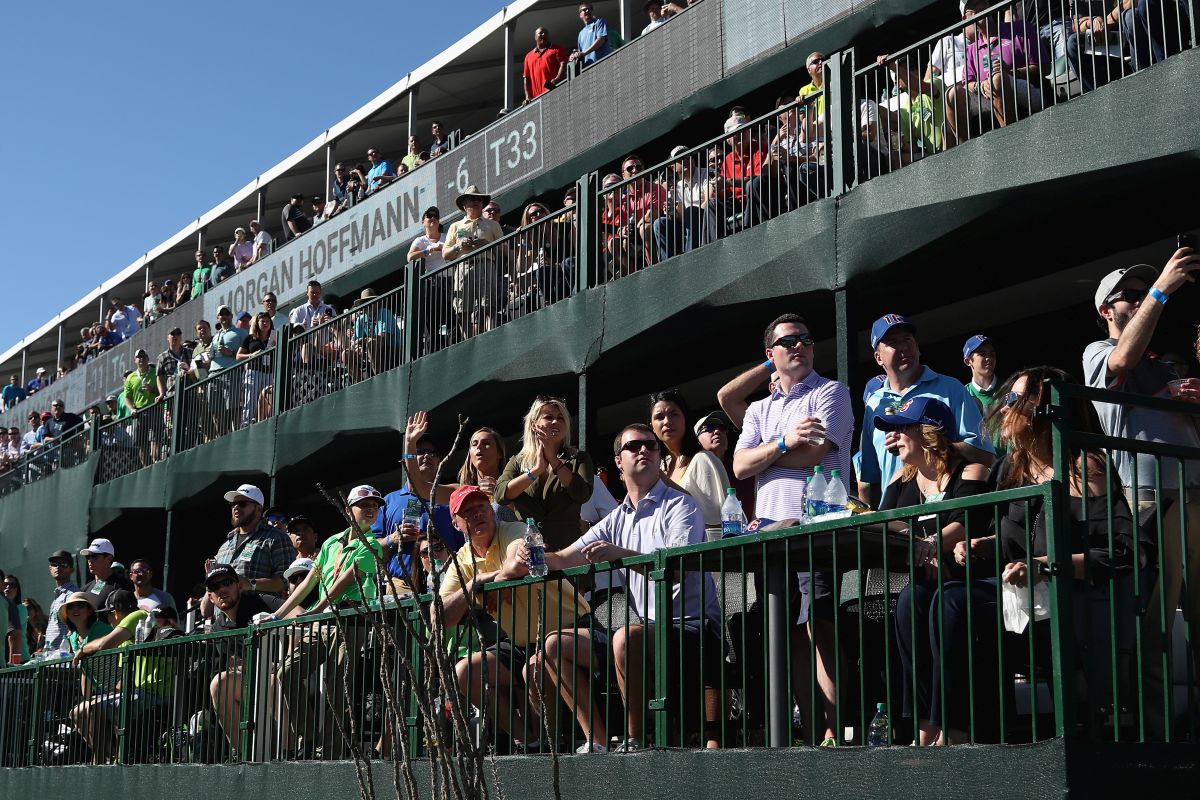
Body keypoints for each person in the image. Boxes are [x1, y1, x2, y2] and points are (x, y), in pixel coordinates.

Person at [947, 366, 1139, 743]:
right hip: (1020, 599)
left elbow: (1122, 551)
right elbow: (1012, 540)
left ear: (1046, 408)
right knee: (926, 599)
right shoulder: (1011, 467)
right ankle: (958, 730)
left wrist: (1045, 568)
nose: (1004, 409)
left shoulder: (1085, 467)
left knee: (955, 603)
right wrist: (982, 545)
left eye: (1016, 400)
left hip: (1070, 598)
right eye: (1006, 399)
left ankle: (978, 734)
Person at [535, 424, 724, 752]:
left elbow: (676, 569)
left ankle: (634, 739)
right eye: (635, 446)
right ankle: (597, 740)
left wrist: (621, 555)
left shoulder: (681, 506)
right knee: (554, 645)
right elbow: (564, 558)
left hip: (694, 629)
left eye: (652, 446)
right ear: (618, 462)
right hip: (644, 632)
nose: (645, 450)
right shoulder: (616, 518)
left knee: (626, 636)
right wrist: (527, 556)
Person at [1082, 253, 1200, 739]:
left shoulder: (1164, 362)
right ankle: (1158, 739)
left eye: (1142, 292)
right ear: (1106, 310)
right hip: (1151, 498)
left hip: (1193, 493)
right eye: (1127, 295)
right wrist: (1162, 291)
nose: (1136, 299)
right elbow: (1120, 361)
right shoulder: (1095, 350)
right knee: (1153, 629)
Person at [729, 312, 853, 746]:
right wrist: (783, 442)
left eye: (805, 338)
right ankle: (812, 732)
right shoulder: (760, 409)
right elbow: (740, 467)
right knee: (792, 638)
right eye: (787, 341)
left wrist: (766, 455)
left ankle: (840, 734)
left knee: (820, 631)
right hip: (769, 534)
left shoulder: (831, 392)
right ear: (771, 355)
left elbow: (816, 454)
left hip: (816, 531)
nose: (798, 345)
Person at [875, 397, 990, 746]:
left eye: (902, 427)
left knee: (943, 602)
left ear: (929, 432)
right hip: (928, 577)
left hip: (970, 573)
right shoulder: (901, 478)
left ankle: (952, 724)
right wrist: (922, 544)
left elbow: (967, 521)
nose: (894, 437)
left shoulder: (970, 469)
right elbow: (883, 523)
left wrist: (930, 544)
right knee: (910, 602)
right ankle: (924, 725)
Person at [438, 485, 591, 746]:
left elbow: (521, 563)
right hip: (521, 642)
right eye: (468, 512)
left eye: (481, 507)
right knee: (464, 672)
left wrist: (492, 585)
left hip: (568, 627)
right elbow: (439, 617)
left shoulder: (515, 529)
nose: (477, 514)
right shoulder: (461, 559)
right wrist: (478, 584)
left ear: (492, 510)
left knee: (534, 666)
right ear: (456, 523)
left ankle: (553, 746)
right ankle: (528, 741)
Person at [273, 485, 386, 759]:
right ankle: (311, 738)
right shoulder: (331, 543)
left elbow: (345, 581)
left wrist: (316, 610)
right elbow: (312, 580)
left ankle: (331, 754)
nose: (371, 509)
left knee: (339, 689)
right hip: (324, 621)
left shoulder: (374, 545)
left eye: (375, 505)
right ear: (348, 511)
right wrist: (277, 615)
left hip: (351, 621)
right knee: (286, 673)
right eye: (364, 504)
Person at [859, 313, 994, 508]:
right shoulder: (874, 404)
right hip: (897, 525)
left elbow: (987, 456)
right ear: (878, 358)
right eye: (893, 342)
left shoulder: (951, 389)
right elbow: (869, 481)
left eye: (907, 339)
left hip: (946, 515)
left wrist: (929, 444)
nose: (904, 347)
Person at [70, 589, 171, 763]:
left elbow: (104, 644)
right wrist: (106, 695)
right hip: (137, 692)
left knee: (93, 708)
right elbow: (125, 678)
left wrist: (82, 649)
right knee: (77, 712)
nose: (108, 620)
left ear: (115, 611)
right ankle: (111, 758)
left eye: (108, 615)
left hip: (156, 694)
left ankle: (99, 761)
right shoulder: (126, 636)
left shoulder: (138, 616)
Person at [375, 414, 465, 593]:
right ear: (408, 459)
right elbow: (370, 547)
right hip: (402, 583)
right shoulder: (388, 500)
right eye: (420, 451)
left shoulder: (450, 497)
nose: (427, 456)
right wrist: (392, 539)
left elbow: (463, 543)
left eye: (432, 453)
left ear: (439, 460)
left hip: (447, 580)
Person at [203, 564, 284, 754]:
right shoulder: (217, 628)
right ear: (210, 597)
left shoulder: (261, 601)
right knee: (219, 684)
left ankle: (287, 754)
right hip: (253, 679)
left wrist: (285, 659)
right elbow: (234, 664)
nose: (222, 589)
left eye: (227, 582)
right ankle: (243, 752)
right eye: (215, 587)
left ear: (239, 585)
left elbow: (300, 615)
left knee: (273, 681)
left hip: (282, 674)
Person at [497, 396, 595, 551]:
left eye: (561, 418)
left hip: (569, 550)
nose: (556, 422)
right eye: (549, 417)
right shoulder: (517, 461)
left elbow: (582, 494)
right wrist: (535, 471)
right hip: (531, 551)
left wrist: (553, 460)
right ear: (533, 424)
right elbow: (501, 494)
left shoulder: (579, 458)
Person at [203, 484, 297, 623]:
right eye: (233, 504)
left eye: (242, 504)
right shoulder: (224, 546)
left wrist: (251, 584)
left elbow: (286, 581)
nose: (236, 508)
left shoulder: (276, 538)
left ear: (258, 509)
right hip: (223, 629)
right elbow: (206, 610)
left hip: (259, 625)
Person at [649, 389, 730, 531]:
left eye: (674, 414)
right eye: (659, 417)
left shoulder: (703, 460)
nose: (667, 421)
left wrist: (664, 480)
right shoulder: (660, 466)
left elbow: (716, 522)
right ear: (652, 427)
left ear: (685, 419)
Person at [444, 186, 505, 338]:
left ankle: (491, 339)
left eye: (479, 199)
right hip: (463, 268)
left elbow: (504, 249)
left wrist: (487, 244)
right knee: (461, 311)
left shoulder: (493, 225)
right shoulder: (455, 226)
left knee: (489, 307)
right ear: (465, 205)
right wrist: (459, 246)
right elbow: (445, 254)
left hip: (486, 265)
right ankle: (469, 344)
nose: (477, 201)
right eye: (473, 199)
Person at [459, 426, 518, 523]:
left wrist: (500, 494)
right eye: (474, 444)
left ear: (499, 453)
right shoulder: (462, 490)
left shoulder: (512, 486)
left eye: (486, 443)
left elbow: (528, 517)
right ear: (470, 454)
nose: (478, 447)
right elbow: (426, 489)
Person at [79, 538, 135, 620]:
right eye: (88, 557)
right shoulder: (84, 589)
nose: (90, 560)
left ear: (108, 559)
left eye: (95, 556)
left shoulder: (122, 585)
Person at [236, 312, 274, 425]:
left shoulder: (274, 337)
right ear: (257, 323)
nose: (265, 323)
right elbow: (238, 356)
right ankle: (246, 424)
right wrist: (251, 355)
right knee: (250, 399)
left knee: (268, 399)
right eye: (262, 321)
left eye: (267, 321)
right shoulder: (251, 338)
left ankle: (265, 422)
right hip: (253, 372)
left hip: (269, 372)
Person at [43, 549, 80, 653]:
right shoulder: (58, 595)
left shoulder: (73, 594)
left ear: (71, 570)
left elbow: (77, 626)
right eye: (54, 564)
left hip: (63, 658)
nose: (58, 567)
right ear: (50, 569)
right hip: (52, 656)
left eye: (63, 564)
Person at [523, 27, 569, 103]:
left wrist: (556, 80)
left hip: (556, 93)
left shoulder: (557, 49)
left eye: (545, 33)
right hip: (538, 100)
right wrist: (528, 97)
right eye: (540, 33)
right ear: (535, 37)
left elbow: (563, 64)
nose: (543, 34)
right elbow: (526, 78)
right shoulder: (528, 56)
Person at [962, 334, 999, 413]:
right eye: (982, 354)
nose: (989, 358)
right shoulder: (963, 395)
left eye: (992, 354)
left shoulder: (1010, 386)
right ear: (968, 361)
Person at [1, 574, 29, 662]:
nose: (8, 587)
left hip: (19, 660)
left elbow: (14, 634)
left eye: (12, 585)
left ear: (17, 590)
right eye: (5, 584)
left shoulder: (21, 608)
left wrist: (12, 663)